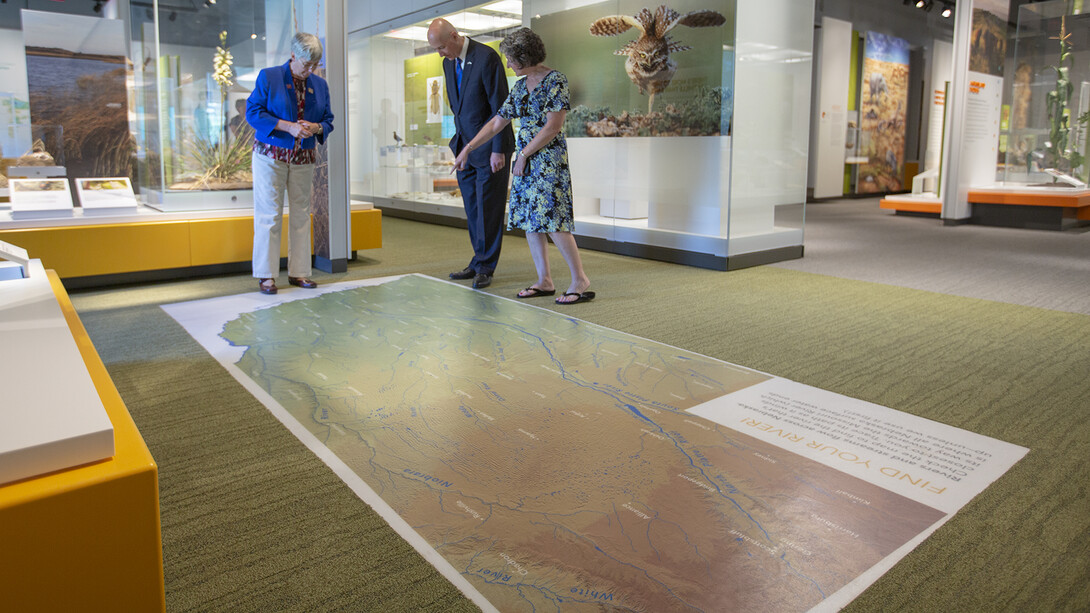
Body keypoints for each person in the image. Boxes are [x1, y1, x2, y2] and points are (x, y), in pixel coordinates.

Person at [453, 28, 593, 305]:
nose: (507, 64)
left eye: (510, 59)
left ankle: (580, 280)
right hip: (525, 162)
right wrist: (468, 147)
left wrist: (524, 155)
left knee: (553, 221)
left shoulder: (556, 81)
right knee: (531, 222)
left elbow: (553, 127)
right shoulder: (519, 87)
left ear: (524, 57)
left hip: (547, 160)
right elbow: (497, 122)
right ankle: (544, 280)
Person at [428, 18, 515, 290]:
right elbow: (459, 108)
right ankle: (478, 261)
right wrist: (460, 146)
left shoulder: (486, 57)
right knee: (474, 208)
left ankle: (486, 266)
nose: (440, 53)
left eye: (442, 46)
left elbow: (500, 107)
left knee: (489, 209)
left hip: (490, 150)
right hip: (464, 149)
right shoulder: (447, 63)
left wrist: (499, 149)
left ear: (454, 36)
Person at [245, 32, 333, 295]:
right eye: (305, 64)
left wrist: (316, 127)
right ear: (293, 56)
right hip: (270, 156)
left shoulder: (320, 84)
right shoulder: (269, 76)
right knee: (269, 214)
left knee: (300, 215)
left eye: (314, 65)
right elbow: (253, 112)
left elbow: (328, 119)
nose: (309, 70)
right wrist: (288, 127)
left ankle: (299, 272)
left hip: (303, 158)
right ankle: (266, 275)